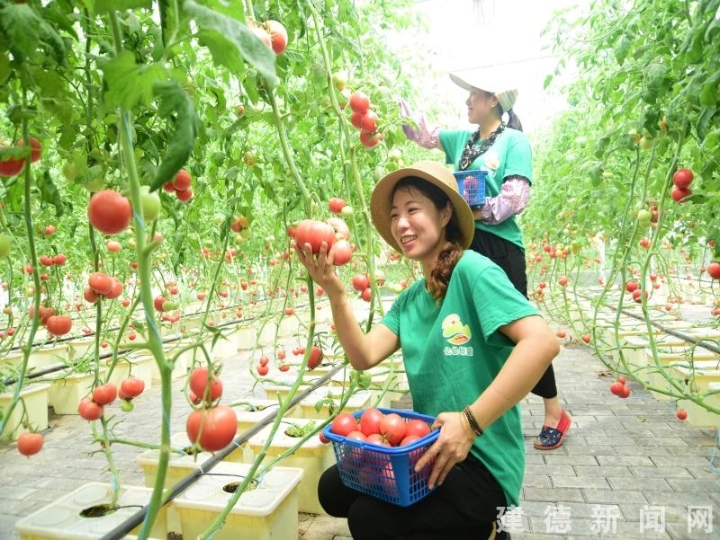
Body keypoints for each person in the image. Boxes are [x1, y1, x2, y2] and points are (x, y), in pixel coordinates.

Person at [294, 160, 560, 540]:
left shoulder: (473, 272)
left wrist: (470, 423)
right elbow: (363, 355)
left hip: (481, 464)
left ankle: (487, 530)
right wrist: (335, 291)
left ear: (445, 211)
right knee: (333, 489)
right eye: (395, 215)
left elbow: (542, 342)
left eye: (413, 209)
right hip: (432, 449)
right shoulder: (410, 301)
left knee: (369, 518)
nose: (402, 223)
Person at [399, 70, 571, 451]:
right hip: (464, 245)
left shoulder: (515, 142)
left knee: (516, 332)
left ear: (493, 100)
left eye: (473, 95)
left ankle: (554, 410)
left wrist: (470, 211)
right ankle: (474, 412)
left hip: (500, 247)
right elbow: (425, 135)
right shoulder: (461, 139)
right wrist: (404, 119)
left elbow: (515, 198)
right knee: (468, 332)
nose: (467, 101)